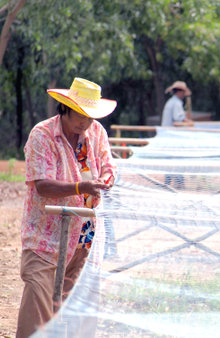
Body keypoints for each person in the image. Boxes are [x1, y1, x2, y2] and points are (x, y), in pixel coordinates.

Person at [16, 77, 117, 338]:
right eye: (80, 114)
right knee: (39, 298)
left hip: (85, 235)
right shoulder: (43, 134)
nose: (85, 122)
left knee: (80, 304)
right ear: (65, 108)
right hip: (46, 237)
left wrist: (106, 180)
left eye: (90, 116)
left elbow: (108, 166)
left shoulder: (97, 133)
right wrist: (79, 188)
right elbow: (41, 184)